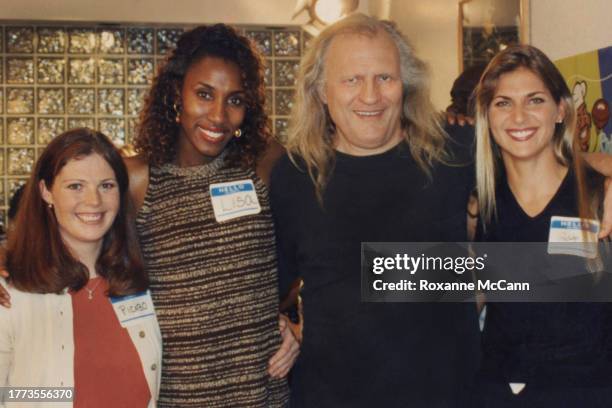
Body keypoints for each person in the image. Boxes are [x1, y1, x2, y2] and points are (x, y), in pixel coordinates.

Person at [270, 13, 481, 407]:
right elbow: (268, 284)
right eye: (351, 79)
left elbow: (552, 177)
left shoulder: (456, 150)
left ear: (407, 85)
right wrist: (277, 325)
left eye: (385, 77)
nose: (370, 96)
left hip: (447, 395)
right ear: (320, 90)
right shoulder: (294, 174)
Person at [124, 24, 295, 407]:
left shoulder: (264, 164)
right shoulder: (138, 180)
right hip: (177, 398)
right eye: (204, 94)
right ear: (175, 94)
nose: (218, 116)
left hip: (262, 395)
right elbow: (89, 260)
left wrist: (300, 326)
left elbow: (317, 251)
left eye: (234, 100)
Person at [472, 45, 612, 406]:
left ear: (561, 110)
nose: (519, 116)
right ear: (487, 115)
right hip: (497, 390)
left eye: (535, 100)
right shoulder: (478, 206)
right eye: (503, 102)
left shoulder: (600, 197)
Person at [0, 128, 161, 407]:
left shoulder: (140, 281)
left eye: (106, 186)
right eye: (76, 186)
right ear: (46, 191)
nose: (93, 201)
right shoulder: (11, 292)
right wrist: (59, 394)